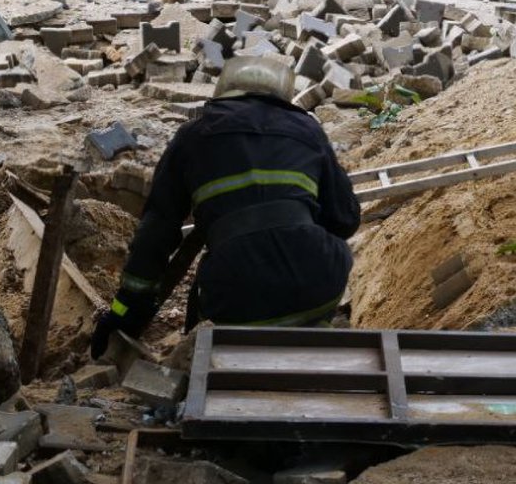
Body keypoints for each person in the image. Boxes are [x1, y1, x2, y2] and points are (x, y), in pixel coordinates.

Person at [89, 57, 360, 359]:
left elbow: (155, 235)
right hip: (319, 289)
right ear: (282, 96)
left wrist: (123, 313)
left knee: (209, 297)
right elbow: (346, 220)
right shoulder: (308, 130)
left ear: (223, 93)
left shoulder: (193, 136)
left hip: (235, 300)